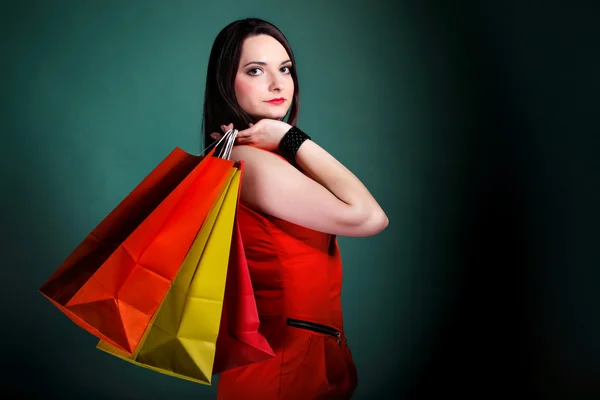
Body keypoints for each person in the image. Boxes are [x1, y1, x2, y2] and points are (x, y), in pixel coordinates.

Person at [203, 18, 389, 400]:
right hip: (282, 365)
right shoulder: (250, 163)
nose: (278, 84)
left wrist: (285, 142)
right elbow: (369, 217)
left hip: (307, 355)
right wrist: (291, 136)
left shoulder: (267, 160)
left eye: (285, 69)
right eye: (256, 70)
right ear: (226, 82)